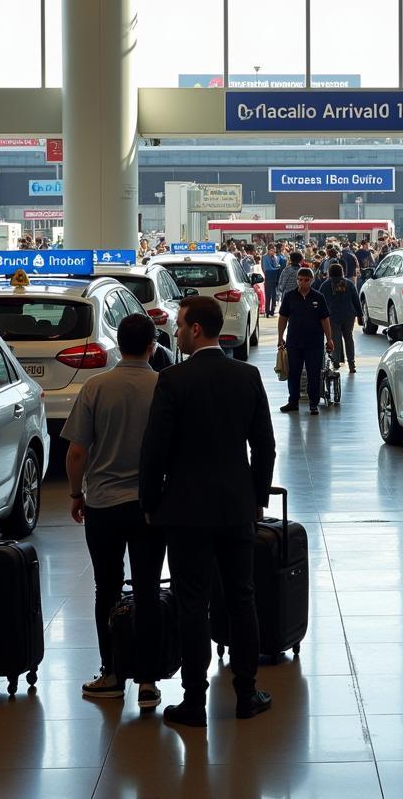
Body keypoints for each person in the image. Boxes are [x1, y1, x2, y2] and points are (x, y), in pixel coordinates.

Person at [139, 296, 276, 727]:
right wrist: (256, 498)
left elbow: (154, 452)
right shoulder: (247, 376)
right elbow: (265, 446)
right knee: (242, 598)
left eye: (180, 324)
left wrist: (150, 502)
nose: (176, 331)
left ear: (196, 329)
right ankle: (247, 693)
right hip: (236, 507)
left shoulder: (173, 380)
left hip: (185, 512)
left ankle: (195, 702)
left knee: (192, 604)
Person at [63, 313, 166, 709]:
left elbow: (76, 451)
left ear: (118, 344)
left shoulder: (95, 386)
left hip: (103, 505)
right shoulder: (162, 387)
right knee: (147, 589)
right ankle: (148, 682)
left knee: (106, 587)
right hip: (148, 507)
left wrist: (76, 494)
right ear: (153, 346)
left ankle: (111, 672)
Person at [277, 267, 335, 415]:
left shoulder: (318, 297)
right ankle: (293, 402)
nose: (303, 283)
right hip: (294, 342)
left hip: (314, 343)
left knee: (314, 374)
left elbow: (325, 319)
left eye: (306, 280)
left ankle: (313, 403)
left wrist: (329, 339)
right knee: (293, 373)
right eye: (300, 280)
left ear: (312, 280)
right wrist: (280, 337)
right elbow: (283, 318)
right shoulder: (289, 297)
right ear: (297, 280)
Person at [318, 262, 363, 373]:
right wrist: (360, 314)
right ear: (342, 272)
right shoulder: (349, 283)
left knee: (335, 339)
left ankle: (336, 362)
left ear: (330, 273)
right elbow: (356, 300)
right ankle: (352, 364)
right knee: (348, 338)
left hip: (332, 316)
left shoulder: (325, 285)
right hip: (348, 315)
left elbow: (320, 301)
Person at [261, 244, 282, 317]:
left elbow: (277, 265)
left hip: (275, 278)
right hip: (269, 277)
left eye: (274, 250)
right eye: (271, 250)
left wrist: (277, 267)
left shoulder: (275, 257)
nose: (273, 252)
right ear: (268, 250)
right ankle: (267, 311)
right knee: (268, 295)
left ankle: (272, 311)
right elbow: (266, 268)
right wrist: (277, 268)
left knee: (274, 295)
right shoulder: (264, 257)